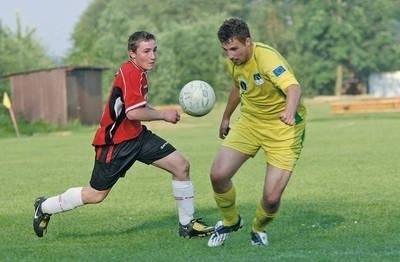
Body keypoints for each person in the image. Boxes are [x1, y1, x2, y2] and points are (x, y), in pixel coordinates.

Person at [33, 31, 213, 239]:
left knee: (181, 166)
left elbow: (137, 106)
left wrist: (162, 111)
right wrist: (163, 115)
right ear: (132, 54)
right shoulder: (131, 73)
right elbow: (133, 112)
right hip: (115, 144)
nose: (153, 55)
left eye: (154, 50)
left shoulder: (139, 72)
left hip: (137, 136)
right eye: (146, 51)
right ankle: (45, 206)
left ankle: (187, 225)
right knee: (96, 194)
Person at [207, 18, 306, 247]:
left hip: (284, 128)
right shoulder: (232, 62)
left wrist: (289, 113)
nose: (230, 55)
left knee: (271, 198)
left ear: (248, 42)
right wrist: (225, 117)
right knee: (218, 175)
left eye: (234, 49)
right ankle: (231, 221)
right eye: (225, 50)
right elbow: (238, 85)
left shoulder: (268, 59)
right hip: (250, 122)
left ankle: (258, 229)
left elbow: (293, 87)